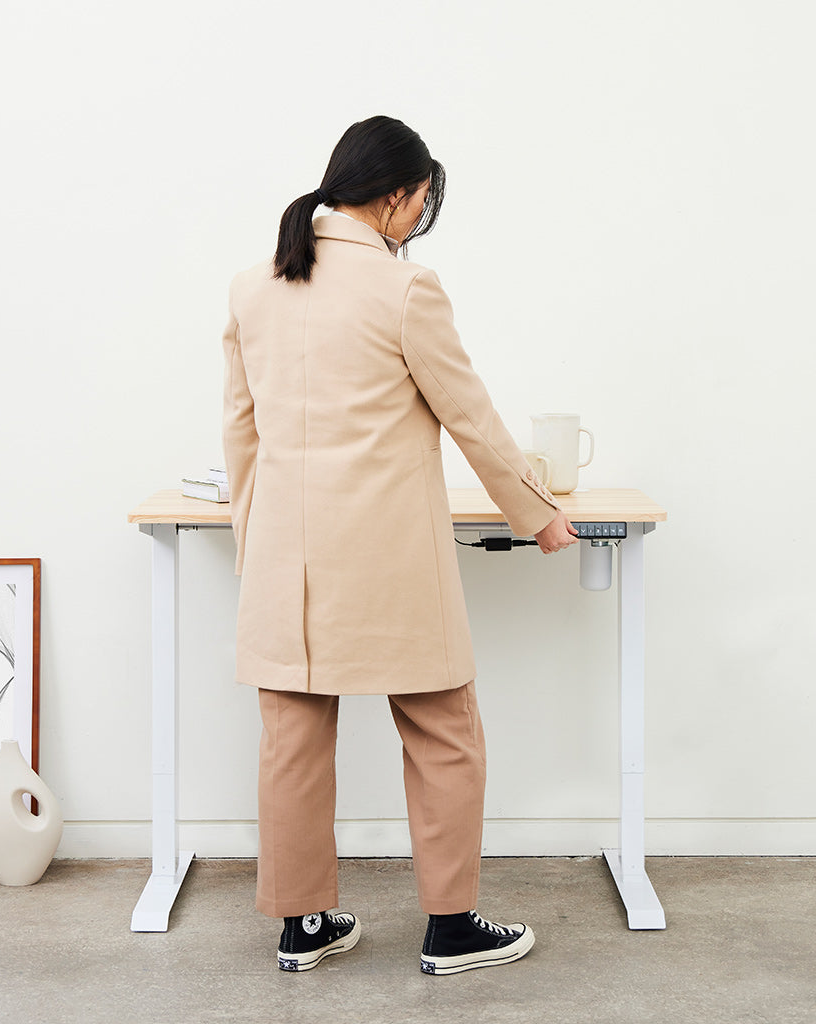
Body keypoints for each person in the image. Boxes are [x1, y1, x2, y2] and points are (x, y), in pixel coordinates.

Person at [221, 115, 578, 976]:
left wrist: (254, 549)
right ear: (392, 198)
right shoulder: (404, 290)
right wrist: (539, 515)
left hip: (288, 566)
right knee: (444, 730)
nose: (419, 219)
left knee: (293, 737)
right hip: (390, 560)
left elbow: (242, 436)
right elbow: (471, 416)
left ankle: (304, 927)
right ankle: (451, 929)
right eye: (420, 202)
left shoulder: (254, 285)